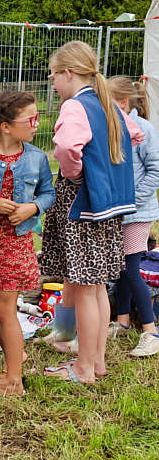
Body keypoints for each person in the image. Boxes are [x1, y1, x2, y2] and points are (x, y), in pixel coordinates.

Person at [40, 41, 144, 384]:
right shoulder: (107, 103)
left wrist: (74, 173)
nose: (53, 83)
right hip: (108, 206)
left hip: (82, 205)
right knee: (95, 286)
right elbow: (135, 134)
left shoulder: (75, 106)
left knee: (85, 287)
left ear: (69, 73)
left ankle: (83, 368)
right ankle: (95, 360)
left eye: (54, 75)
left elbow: (67, 147)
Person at [0, 91, 55, 396]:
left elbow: (48, 193)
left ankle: (14, 381)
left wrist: (32, 207)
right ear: (5, 126)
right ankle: (15, 351)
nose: (36, 124)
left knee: (5, 309)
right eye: (31, 118)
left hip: (15, 244)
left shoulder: (36, 157)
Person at [107, 76, 159, 357]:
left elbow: (156, 171)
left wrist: (130, 199)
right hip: (120, 212)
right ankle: (123, 322)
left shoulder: (144, 129)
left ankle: (151, 331)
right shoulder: (113, 127)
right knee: (122, 268)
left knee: (130, 268)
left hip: (138, 212)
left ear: (123, 102)